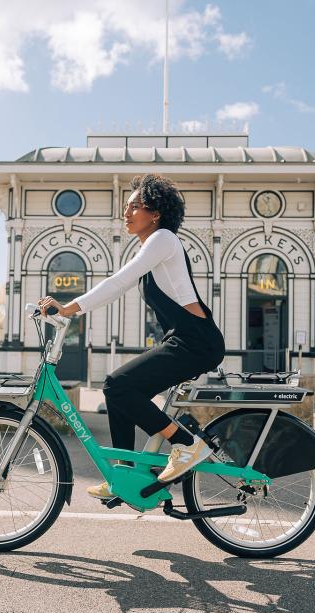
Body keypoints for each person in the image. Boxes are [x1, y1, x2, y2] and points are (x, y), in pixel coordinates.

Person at [37, 174, 226, 498]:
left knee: (115, 384)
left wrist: (70, 308)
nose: (127, 213)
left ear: (156, 213)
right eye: (126, 206)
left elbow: (118, 281)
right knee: (119, 390)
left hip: (196, 342)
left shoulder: (163, 238)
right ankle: (123, 476)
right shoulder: (153, 248)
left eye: (135, 206)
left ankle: (185, 444)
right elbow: (118, 287)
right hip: (182, 339)